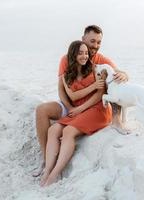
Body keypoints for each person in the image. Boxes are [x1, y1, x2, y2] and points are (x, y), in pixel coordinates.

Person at [34, 25, 128, 176]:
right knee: (41, 110)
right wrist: (70, 107)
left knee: (67, 130)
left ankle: (54, 168)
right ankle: (45, 159)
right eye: (92, 41)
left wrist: (125, 75)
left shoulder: (99, 59)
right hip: (69, 104)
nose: (95, 46)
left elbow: (117, 73)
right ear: (83, 39)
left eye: (98, 42)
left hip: (87, 107)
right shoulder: (66, 59)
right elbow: (62, 88)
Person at [40, 40, 112, 186]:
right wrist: (92, 86)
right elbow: (72, 96)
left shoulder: (95, 68)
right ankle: (48, 169)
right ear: (73, 55)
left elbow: (99, 94)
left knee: (68, 131)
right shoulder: (67, 74)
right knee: (53, 129)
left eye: (86, 53)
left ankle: (55, 174)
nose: (85, 56)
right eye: (80, 53)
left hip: (98, 109)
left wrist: (81, 108)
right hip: (80, 109)